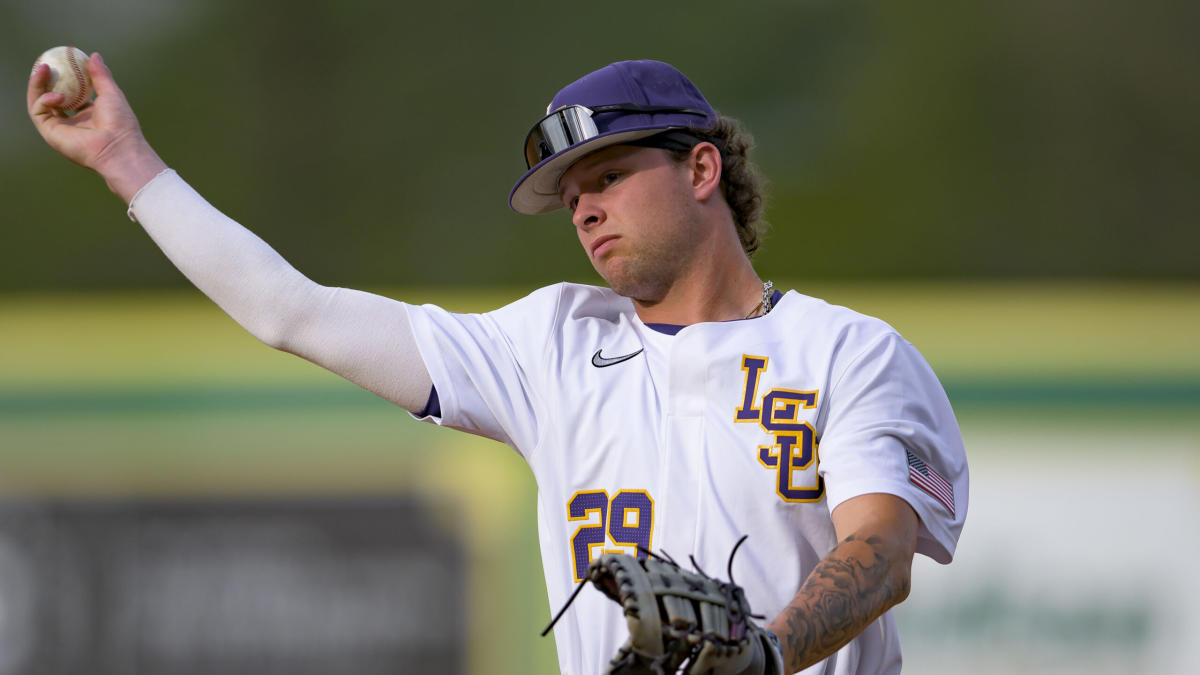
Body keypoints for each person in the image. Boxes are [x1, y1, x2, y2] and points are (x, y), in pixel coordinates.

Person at [29, 55, 968, 674]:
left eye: (607, 175)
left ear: (702, 169)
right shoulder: (548, 344)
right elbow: (291, 311)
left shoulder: (850, 353)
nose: (585, 208)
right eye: (570, 195)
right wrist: (123, 158)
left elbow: (881, 555)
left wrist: (762, 653)